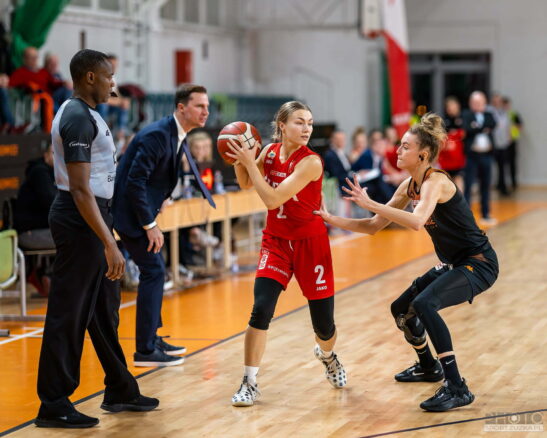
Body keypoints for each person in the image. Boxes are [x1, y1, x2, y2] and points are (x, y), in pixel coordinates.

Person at [315, 113, 498, 412]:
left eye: (404, 146)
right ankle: (428, 367)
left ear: (422, 155)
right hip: (454, 263)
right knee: (401, 308)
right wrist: (330, 219)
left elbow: (416, 221)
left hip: (479, 264)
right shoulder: (407, 186)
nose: (397, 151)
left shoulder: (436, 182)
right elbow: (374, 225)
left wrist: (370, 203)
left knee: (425, 304)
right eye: (399, 145)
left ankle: (457, 387)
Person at [35, 49, 158, 429]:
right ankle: (54, 403)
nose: (113, 84)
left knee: (104, 311)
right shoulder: (76, 117)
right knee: (69, 313)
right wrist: (108, 242)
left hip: (94, 216)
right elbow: (79, 189)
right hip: (80, 219)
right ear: (90, 77)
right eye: (108, 77)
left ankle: (120, 388)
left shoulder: (88, 114)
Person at [226, 101, 346, 407]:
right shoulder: (268, 153)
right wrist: (240, 157)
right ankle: (249, 382)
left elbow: (272, 199)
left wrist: (250, 162)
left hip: (311, 245)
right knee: (261, 309)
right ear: (282, 125)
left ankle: (328, 355)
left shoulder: (311, 162)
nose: (307, 129)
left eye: (310, 123)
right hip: (276, 242)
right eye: (299, 122)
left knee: (324, 327)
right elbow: (244, 182)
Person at [112, 84, 215, 367]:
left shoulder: (174, 132)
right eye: (199, 106)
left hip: (141, 211)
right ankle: (145, 350)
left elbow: (155, 176)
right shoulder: (157, 134)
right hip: (130, 214)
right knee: (154, 271)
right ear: (182, 108)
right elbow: (134, 181)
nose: (206, 111)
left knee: (155, 270)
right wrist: (149, 223)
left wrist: (164, 197)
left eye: (207, 106)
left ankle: (152, 339)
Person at [462, 91, 497, 226]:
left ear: (484, 103)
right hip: (472, 156)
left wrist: (477, 127)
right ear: (470, 103)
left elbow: (492, 124)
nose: (477, 105)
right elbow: (468, 128)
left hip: (486, 155)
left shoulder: (488, 115)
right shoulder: (467, 114)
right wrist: (483, 128)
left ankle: (486, 214)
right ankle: (466, 218)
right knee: (469, 185)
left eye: (479, 102)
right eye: (474, 102)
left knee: (485, 185)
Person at [439, 96, 465, 192]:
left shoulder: (463, 119)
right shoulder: (444, 121)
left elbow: (463, 134)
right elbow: (441, 136)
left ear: (457, 106)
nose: (450, 108)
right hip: (446, 159)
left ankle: (461, 199)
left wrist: (455, 137)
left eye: (452, 106)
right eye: (448, 106)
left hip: (458, 158)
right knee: (447, 181)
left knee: (459, 178)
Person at [504, 96, 523, 191]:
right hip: (503, 142)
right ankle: (502, 184)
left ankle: (514, 183)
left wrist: (514, 134)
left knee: (512, 163)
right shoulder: (501, 114)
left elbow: (520, 125)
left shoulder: (513, 114)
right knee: (503, 164)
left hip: (512, 141)